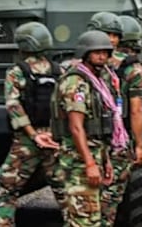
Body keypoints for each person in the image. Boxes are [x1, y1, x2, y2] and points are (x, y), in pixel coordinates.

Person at [52, 30, 126, 226]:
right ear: (86, 54)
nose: (102, 56)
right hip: (78, 162)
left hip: (95, 155)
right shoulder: (76, 82)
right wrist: (90, 164)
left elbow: (99, 131)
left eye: (105, 52)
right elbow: (76, 127)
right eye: (96, 52)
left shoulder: (98, 81)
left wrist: (105, 161)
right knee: (85, 220)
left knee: (92, 218)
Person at [0, 22, 66, 227]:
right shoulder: (58, 70)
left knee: (7, 190)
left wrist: (33, 134)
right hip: (55, 140)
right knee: (65, 191)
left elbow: (13, 106)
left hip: (27, 140)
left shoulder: (16, 72)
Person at [103, 15, 142, 225]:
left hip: (88, 139)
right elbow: (136, 111)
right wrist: (139, 145)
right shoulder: (133, 69)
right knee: (112, 194)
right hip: (117, 139)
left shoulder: (80, 65)